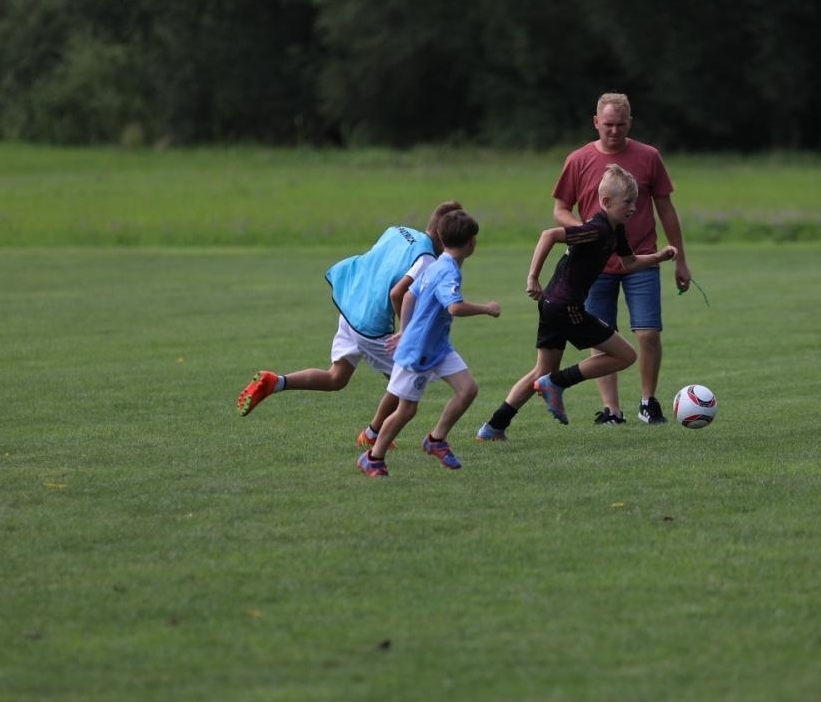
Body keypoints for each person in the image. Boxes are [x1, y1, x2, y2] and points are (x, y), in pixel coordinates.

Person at [238, 200, 464, 452]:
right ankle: (372, 435)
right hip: (371, 324)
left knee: (336, 377)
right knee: (405, 381)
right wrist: (406, 332)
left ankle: (275, 382)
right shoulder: (426, 259)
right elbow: (397, 293)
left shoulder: (398, 230)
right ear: (445, 238)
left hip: (351, 304)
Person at [476, 164, 677, 439]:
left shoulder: (615, 230)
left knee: (541, 370)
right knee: (626, 355)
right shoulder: (596, 229)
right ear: (606, 201)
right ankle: (557, 383)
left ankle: (493, 427)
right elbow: (549, 235)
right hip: (565, 307)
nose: (634, 208)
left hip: (552, 305)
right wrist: (532, 277)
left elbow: (628, 262)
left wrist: (659, 257)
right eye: (628, 202)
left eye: (636, 202)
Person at [552, 92, 692, 426]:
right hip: (594, 264)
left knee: (648, 332)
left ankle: (648, 402)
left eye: (620, 124)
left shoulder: (649, 157)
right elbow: (560, 209)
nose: (613, 130)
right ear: (595, 122)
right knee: (602, 338)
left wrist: (680, 260)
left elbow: (666, 209)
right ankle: (611, 410)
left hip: (641, 258)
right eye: (608, 124)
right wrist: (585, 232)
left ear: (630, 123)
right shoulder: (578, 160)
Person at [358, 209, 501, 477]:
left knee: (468, 389)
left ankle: (436, 440)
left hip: (438, 346)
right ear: (472, 242)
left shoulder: (435, 263)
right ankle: (373, 457)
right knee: (406, 410)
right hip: (420, 350)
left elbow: (409, 296)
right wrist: (487, 308)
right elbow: (454, 307)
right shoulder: (447, 271)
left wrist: (405, 328)